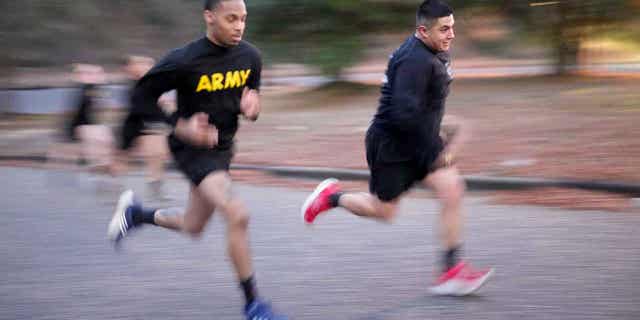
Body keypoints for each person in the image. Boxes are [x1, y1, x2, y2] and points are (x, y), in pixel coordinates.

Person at [107, 1, 287, 319]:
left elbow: (253, 103)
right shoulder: (184, 60)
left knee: (193, 226)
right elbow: (140, 97)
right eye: (231, 18)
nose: (239, 26)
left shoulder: (250, 57)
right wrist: (180, 125)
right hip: (191, 148)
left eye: (243, 19)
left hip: (222, 148)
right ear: (209, 16)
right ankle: (254, 305)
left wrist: (253, 109)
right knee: (237, 214)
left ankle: (135, 215)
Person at [301, 0, 493, 296]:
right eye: (444, 29)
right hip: (393, 146)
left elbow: (422, 105)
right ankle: (330, 198)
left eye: (452, 27)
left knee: (453, 189)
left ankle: (450, 272)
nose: (451, 34)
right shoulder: (415, 61)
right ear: (422, 30)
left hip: (420, 139)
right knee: (384, 211)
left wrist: (442, 127)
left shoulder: (433, 51)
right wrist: (440, 149)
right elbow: (404, 116)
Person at [118, 55, 172, 200]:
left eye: (148, 65)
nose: (145, 67)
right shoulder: (132, 85)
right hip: (134, 124)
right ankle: (109, 179)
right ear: (132, 68)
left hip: (153, 124)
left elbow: (161, 105)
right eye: (141, 65)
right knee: (121, 159)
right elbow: (139, 106)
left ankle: (155, 185)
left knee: (158, 154)